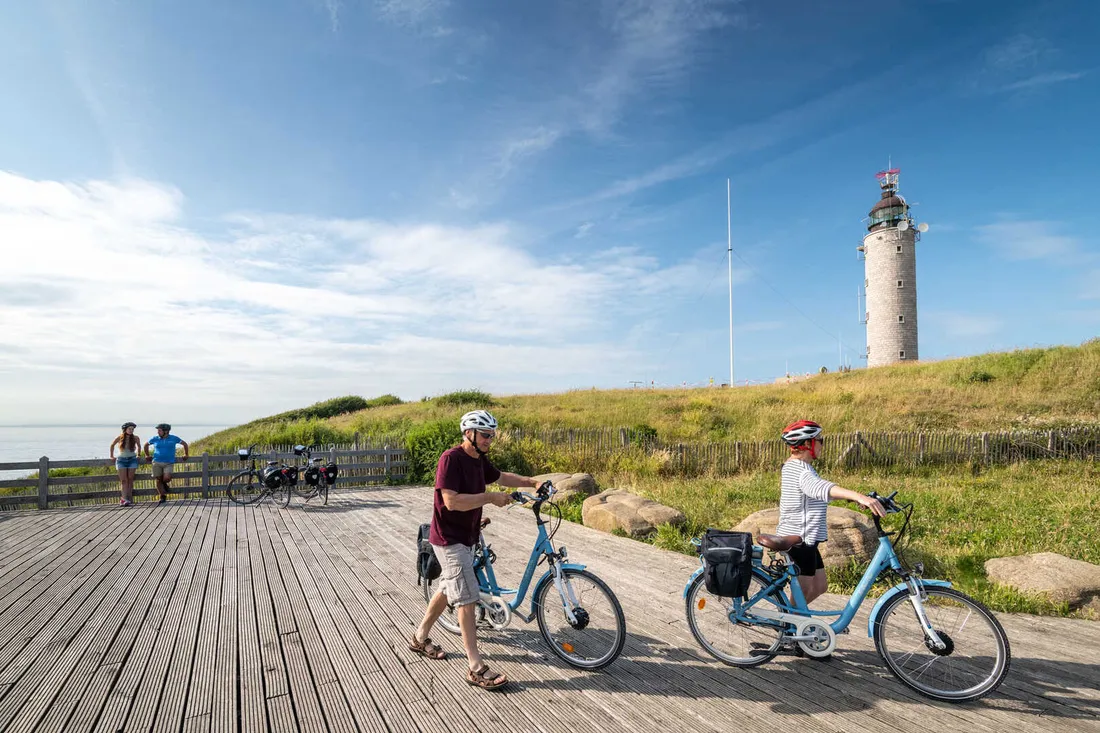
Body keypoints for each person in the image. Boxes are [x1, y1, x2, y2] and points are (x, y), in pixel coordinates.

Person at [409, 409, 544, 691]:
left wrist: (533, 482)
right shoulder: (451, 458)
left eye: (492, 435)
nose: (489, 440)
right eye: (485, 435)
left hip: (468, 535)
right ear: (468, 433)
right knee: (467, 598)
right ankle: (475, 667)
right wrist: (490, 498)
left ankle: (419, 638)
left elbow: (502, 477)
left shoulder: (479, 460)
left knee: (447, 589)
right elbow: (451, 501)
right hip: (449, 539)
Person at [778, 420, 886, 605]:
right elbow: (820, 488)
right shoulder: (799, 470)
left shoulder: (800, 467)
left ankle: (792, 615)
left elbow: (814, 494)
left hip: (807, 538)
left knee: (820, 586)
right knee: (804, 590)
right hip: (799, 539)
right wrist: (860, 497)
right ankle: (788, 621)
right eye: (819, 440)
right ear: (808, 443)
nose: (822, 444)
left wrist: (851, 499)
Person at [143, 423, 188, 504]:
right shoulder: (155, 438)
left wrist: (186, 454)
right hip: (156, 462)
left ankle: (164, 483)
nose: (158, 432)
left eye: (159, 430)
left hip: (168, 462)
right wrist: (147, 455)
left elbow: (184, 444)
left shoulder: (173, 438)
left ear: (166, 431)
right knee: (158, 479)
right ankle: (162, 496)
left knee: (166, 478)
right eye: (158, 430)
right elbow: (146, 445)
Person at [109, 422, 141, 506]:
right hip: (121, 460)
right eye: (129, 429)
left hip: (132, 459)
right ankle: (123, 499)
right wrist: (111, 456)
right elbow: (112, 445)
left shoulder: (135, 437)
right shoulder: (120, 437)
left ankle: (129, 499)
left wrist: (138, 455)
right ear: (125, 429)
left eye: (132, 429)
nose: (131, 430)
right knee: (124, 480)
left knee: (130, 480)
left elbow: (139, 446)